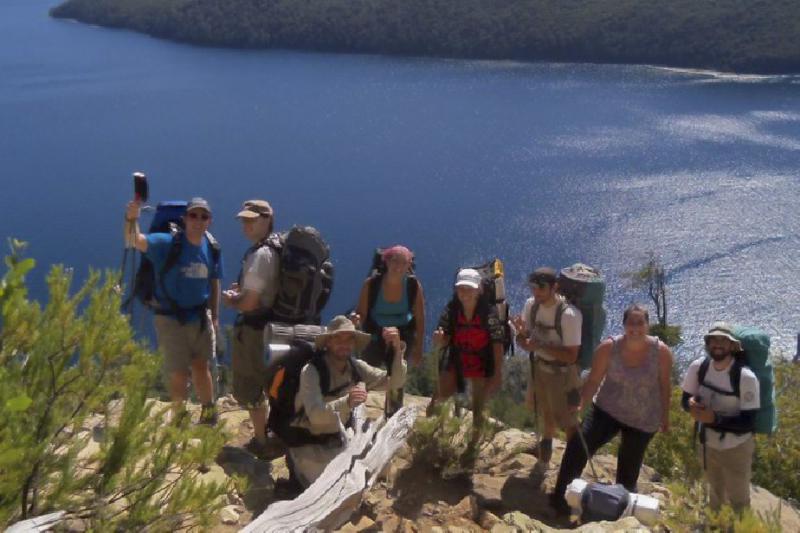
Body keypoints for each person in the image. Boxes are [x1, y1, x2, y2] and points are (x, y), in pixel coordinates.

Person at [550, 304, 672, 515]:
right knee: (578, 445)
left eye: (640, 322)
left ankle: (617, 514)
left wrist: (665, 417)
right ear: (624, 325)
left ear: (647, 325)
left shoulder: (661, 352)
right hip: (608, 409)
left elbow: (665, 386)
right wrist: (581, 404)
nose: (635, 328)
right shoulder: (609, 348)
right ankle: (561, 497)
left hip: (643, 418)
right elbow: (594, 380)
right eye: (631, 323)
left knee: (628, 472)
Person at [124, 197, 223, 424]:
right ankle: (179, 416)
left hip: (199, 317)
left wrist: (215, 316)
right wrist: (131, 218)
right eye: (193, 215)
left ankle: (209, 412)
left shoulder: (212, 247)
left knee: (201, 365)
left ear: (210, 221)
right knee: (178, 371)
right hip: (170, 318)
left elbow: (215, 281)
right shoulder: (166, 243)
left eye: (203, 216)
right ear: (184, 218)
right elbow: (133, 240)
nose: (198, 221)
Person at [288, 315, 407, 487]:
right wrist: (347, 403)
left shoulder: (356, 367)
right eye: (338, 338)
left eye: (349, 339)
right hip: (308, 443)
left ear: (354, 343)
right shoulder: (312, 371)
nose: (344, 344)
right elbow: (315, 416)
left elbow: (394, 381)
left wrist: (396, 350)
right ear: (328, 342)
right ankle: (297, 467)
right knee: (336, 484)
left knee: (382, 468)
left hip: (339, 439)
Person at [681, 322, 760, 513]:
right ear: (708, 343)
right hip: (708, 444)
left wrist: (715, 419)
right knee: (714, 497)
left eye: (723, 340)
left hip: (737, 448)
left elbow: (749, 423)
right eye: (714, 339)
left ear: (733, 345)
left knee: (739, 501)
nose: (718, 344)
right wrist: (690, 405)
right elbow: (684, 400)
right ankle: (715, 527)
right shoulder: (698, 367)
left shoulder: (745, 377)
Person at [222, 200, 279, 456]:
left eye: (251, 220)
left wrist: (232, 299)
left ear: (267, 219)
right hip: (278, 327)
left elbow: (250, 303)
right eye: (243, 220)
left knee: (253, 387)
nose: (246, 225)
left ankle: (262, 440)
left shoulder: (261, 255)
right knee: (276, 383)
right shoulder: (279, 249)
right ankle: (278, 434)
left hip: (256, 332)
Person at [511, 267, 582, 464]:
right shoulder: (531, 306)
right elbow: (525, 340)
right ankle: (545, 450)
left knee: (569, 422)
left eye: (541, 288)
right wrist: (521, 335)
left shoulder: (569, 315)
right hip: (539, 368)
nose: (536, 293)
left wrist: (539, 345)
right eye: (534, 288)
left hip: (563, 374)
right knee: (545, 410)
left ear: (554, 287)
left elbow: (571, 356)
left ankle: (572, 463)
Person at [426, 268, 504, 441]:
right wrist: (440, 339)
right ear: (456, 290)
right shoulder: (452, 310)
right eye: (461, 288)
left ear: (479, 290)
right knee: (439, 397)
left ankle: (473, 444)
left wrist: (497, 373)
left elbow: (497, 343)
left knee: (478, 406)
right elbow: (445, 336)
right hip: (458, 358)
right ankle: (429, 434)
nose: (465, 293)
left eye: (469, 288)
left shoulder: (489, 312)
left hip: (482, 361)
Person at [353, 245, 424, 414]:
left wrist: (418, 348)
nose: (399, 267)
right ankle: (357, 408)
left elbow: (420, 318)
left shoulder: (413, 286)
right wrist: (355, 322)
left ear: (409, 265)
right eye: (394, 261)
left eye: (404, 262)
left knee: (397, 375)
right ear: (386, 262)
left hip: (402, 335)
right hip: (375, 333)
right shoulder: (372, 284)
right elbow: (361, 312)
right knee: (365, 371)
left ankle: (392, 414)